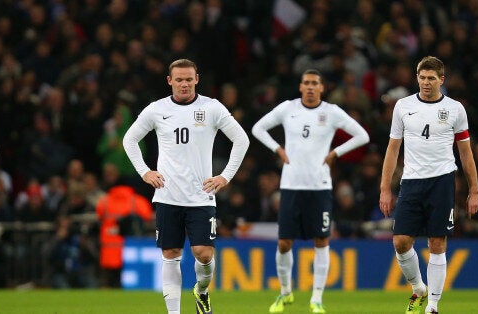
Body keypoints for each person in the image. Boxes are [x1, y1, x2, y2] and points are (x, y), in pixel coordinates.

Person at [123, 58, 249, 314]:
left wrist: (224, 177)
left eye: (188, 79)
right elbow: (130, 139)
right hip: (168, 195)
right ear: (169, 81)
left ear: (197, 80)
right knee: (171, 252)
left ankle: (201, 291)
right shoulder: (156, 109)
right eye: (179, 80)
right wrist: (145, 172)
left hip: (201, 196)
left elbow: (241, 139)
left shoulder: (212, 108)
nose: (184, 84)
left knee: (204, 254)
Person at [252, 69, 370, 314]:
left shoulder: (332, 112)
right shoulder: (287, 108)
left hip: (319, 186)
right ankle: (285, 293)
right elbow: (258, 128)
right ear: (300, 86)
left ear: (321, 88)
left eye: (314, 83)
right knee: (284, 242)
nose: (309, 87)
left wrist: (335, 152)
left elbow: (362, 135)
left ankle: (317, 298)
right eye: (306, 83)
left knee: (321, 240)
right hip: (291, 185)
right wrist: (278, 149)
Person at [378, 56, 478, 314]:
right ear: (417, 78)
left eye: (431, 78)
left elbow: (466, 153)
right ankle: (418, 287)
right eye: (422, 77)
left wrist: (474, 190)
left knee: (437, 243)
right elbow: (392, 150)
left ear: (441, 80)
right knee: (401, 241)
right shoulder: (403, 106)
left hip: (442, 181)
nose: (426, 82)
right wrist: (385, 188)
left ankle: (432, 306)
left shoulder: (455, 109)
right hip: (411, 182)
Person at [95, 184, 153, 288]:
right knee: (128, 279)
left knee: (109, 278)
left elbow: (99, 215)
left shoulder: (104, 201)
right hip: (129, 247)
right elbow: (147, 216)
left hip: (109, 247)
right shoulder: (137, 201)